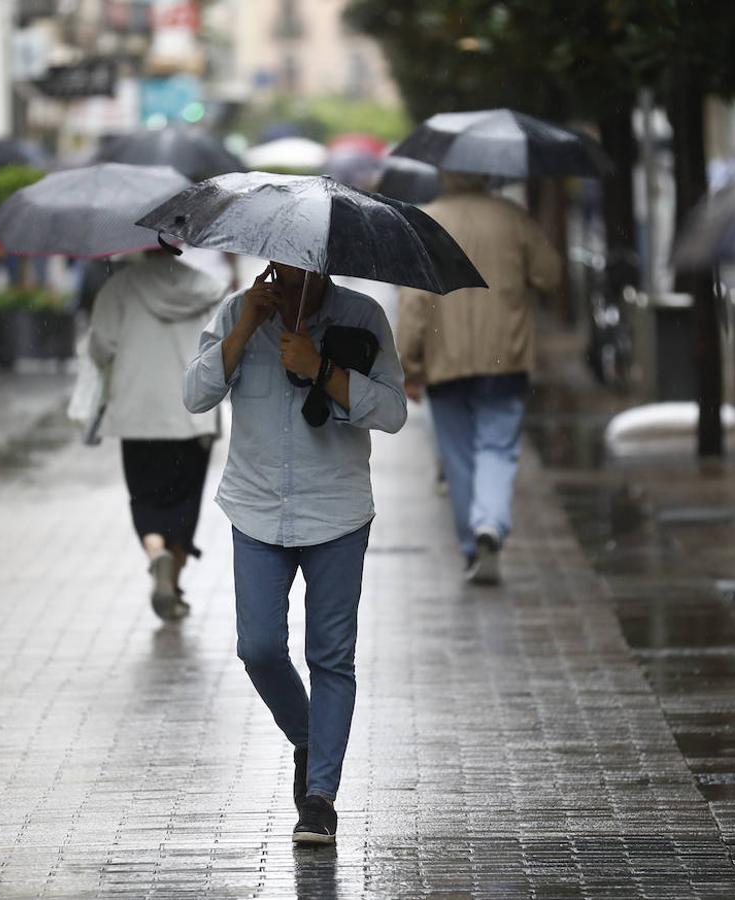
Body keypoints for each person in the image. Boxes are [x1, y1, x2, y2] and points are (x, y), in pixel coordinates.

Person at [183, 262, 406, 845]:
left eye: (304, 264)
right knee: (257, 647)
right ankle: (309, 739)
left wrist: (322, 369)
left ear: (326, 262)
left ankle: (319, 797)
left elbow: (393, 411)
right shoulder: (239, 311)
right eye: (281, 262)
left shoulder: (363, 316)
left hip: (337, 511)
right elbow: (195, 394)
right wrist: (244, 327)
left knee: (331, 657)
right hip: (255, 508)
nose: (290, 274)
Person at [396, 173, 561, 585]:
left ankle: (473, 545)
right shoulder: (513, 218)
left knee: (458, 456)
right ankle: (490, 521)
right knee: (498, 446)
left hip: (444, 358)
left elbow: (414, 302)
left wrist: (407, 365)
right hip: (505, 355)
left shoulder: (427, 220)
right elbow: (550, 274)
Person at [89, 250, 224, 621]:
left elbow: (101, 346)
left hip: (138, 412)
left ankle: (155, 553)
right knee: (185, 500)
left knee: (146, 495)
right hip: (190, 411)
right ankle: (174, 585)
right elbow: (220, 347)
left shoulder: (118, 287)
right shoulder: (207, 288)